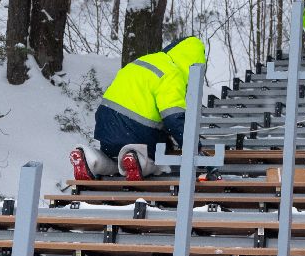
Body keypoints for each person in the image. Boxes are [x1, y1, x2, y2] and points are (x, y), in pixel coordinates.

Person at [71, 36, 207, 181]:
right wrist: (194, 146)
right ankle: (138, 160)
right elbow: (174, 117)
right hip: (137, 130)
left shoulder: (144, 61)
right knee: (159, 161)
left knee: (112, 158)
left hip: (105, 124)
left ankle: (90, 159)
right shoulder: (173, 73)